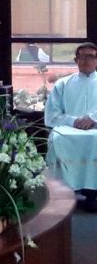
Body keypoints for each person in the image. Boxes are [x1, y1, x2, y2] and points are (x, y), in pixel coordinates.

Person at [45, 42, 97, 211]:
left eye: (91, 56)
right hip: (68, 129)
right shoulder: (63, 84)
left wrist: (93, 119)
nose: (86, 60)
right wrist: (73, 121)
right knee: (58, 138)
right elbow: (52, 115)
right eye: (82, 56)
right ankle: (63, 193)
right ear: (76, 60)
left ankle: (92, 194)